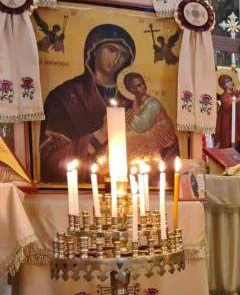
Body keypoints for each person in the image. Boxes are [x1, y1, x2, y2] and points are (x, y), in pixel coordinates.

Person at [40, 24, 135, 183]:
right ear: (94, 50)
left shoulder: (130, 104)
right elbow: (50, 157)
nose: (116, 59)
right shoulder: (65, 97)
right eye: (111, 50)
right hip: (78, 191)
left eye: (123, 55)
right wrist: (100, 135)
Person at [122, 72, 179, 164]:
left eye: (143, 83)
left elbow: (143, 126)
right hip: (149, 130)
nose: (143, 86)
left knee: (127, 137)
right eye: (138, 85)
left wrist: (129, 119)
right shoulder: (136, 101)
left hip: (160, 134)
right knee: (122, 135)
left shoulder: (153, 104)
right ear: (132, 89)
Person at [213, 74, 240, 149]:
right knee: (227, 143)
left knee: (237, 145)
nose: (230, 82)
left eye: (230, 80)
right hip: (227, 125)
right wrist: (239, 99)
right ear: (224, 85)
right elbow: (227, 105)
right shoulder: (223, 96)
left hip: (237, 124)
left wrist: (238, 93)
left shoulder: (236, 94)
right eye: (227, 81)